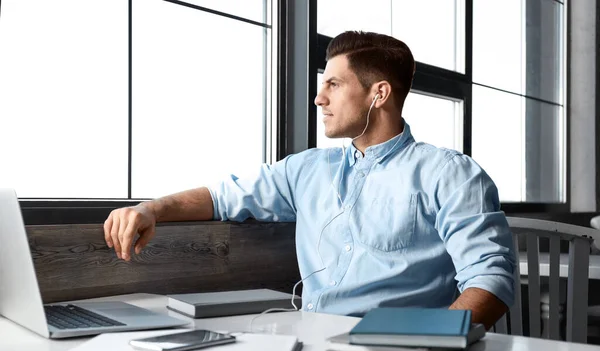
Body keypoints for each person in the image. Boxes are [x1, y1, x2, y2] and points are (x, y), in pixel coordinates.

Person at [104, 31, 515, 329]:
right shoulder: (305, 170)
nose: (319, 98)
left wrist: (432, 340)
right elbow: (221, 197)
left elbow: (490, 278)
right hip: (311, 344)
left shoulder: (451, 174)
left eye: (333, 85)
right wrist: (150, 209)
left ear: (379, 94)